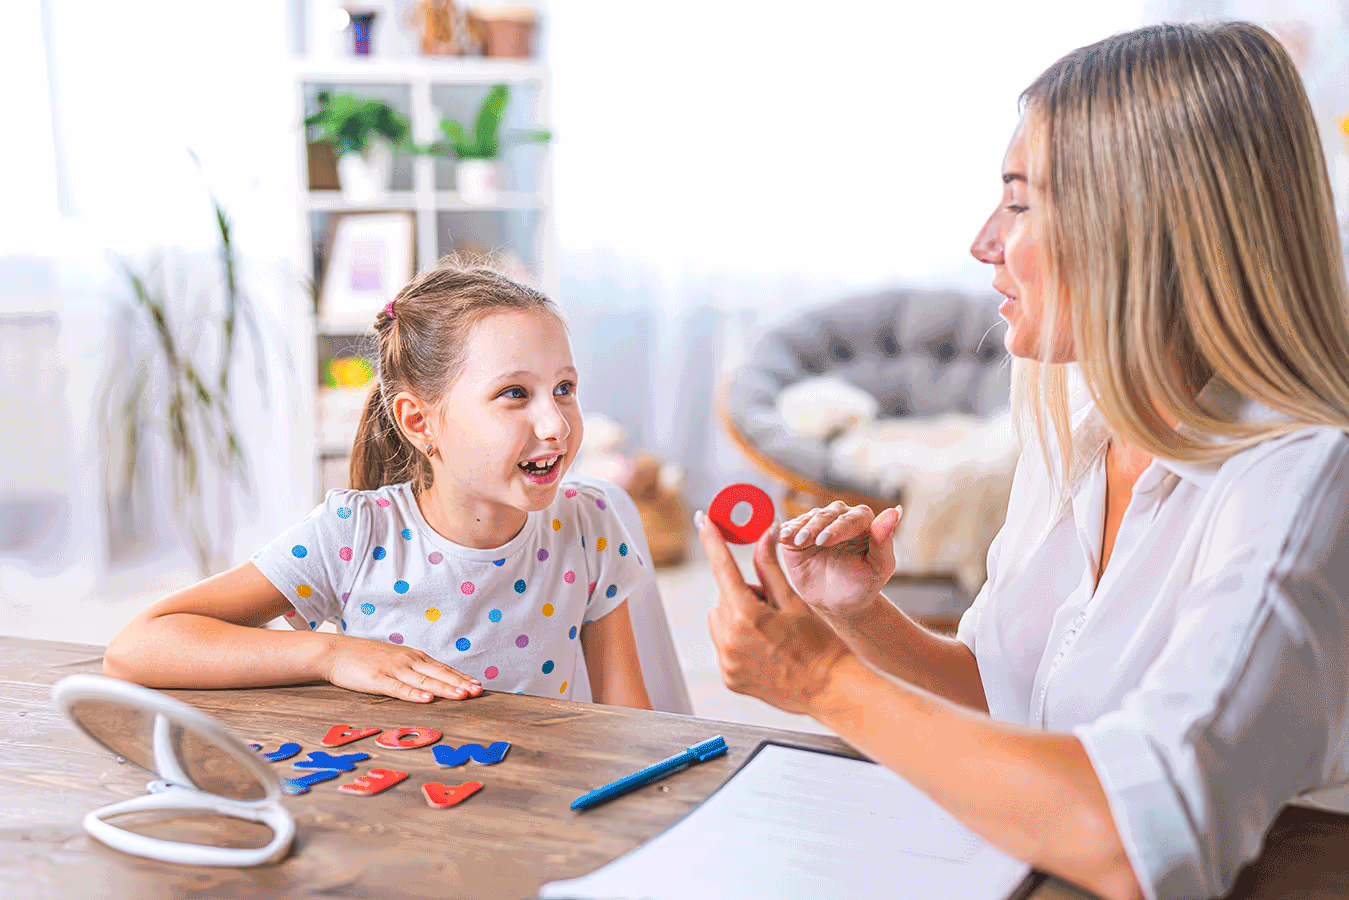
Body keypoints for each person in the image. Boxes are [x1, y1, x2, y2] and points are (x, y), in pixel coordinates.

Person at [698, 20, 1349, 900]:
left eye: (1017, 202)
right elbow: (1014, 701)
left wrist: (820, 682)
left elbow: (1135, 839)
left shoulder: (1302, 477)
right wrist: (859, 620)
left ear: (1141, 225)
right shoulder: (1077, 418)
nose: (983, 242)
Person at [105, 262, 653, 710]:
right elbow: (136, 648)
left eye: (564, 388)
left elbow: (629, 723)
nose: (556, 424)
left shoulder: (589, 525)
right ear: (420, 423)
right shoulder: (354, 534)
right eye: (514, 393)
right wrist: (330, 655)